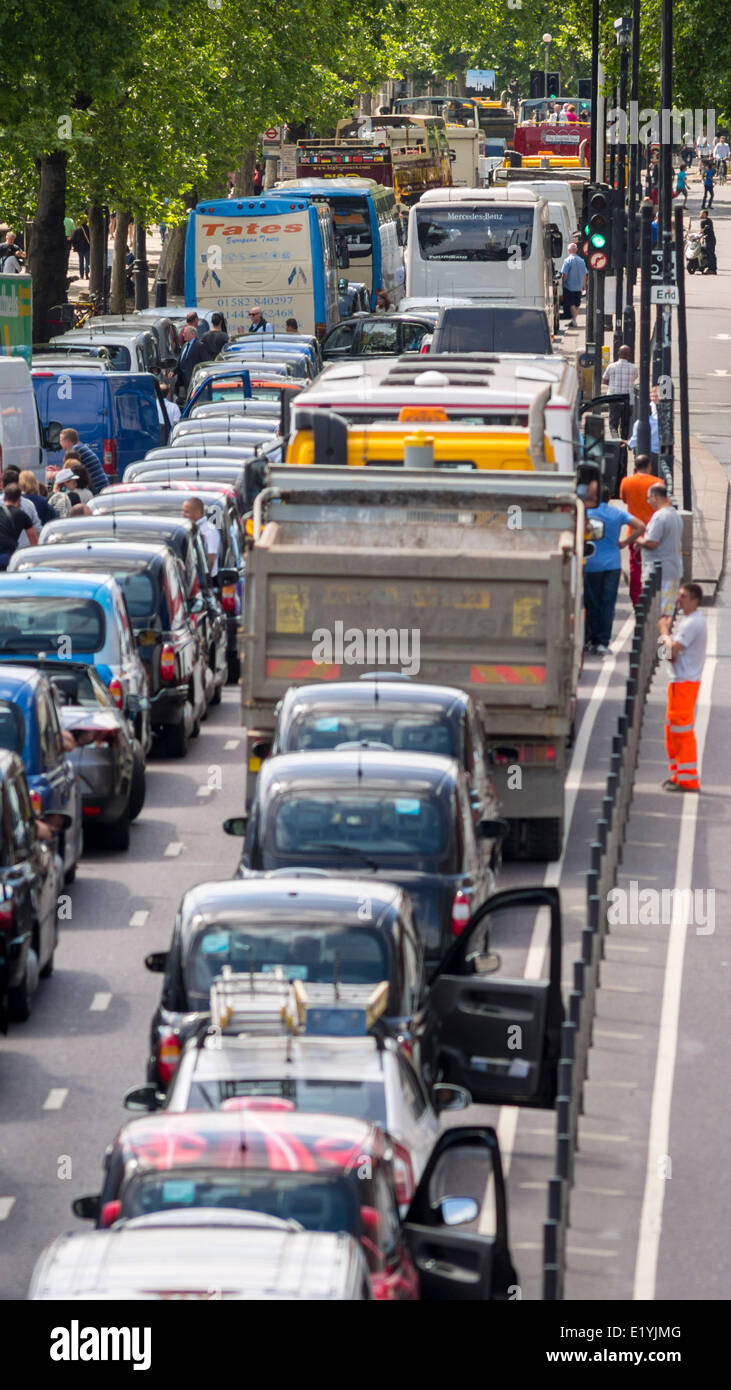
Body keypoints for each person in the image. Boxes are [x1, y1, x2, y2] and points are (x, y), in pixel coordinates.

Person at [584, 487, 645, 655]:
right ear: (609, 497)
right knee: (607, 603)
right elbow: (640, 526)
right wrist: (625, 542)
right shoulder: (617, 514)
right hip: (612, 565)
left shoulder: (585, 513)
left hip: (590, 564)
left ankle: (590, 640)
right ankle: (603, 642)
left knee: (591, 603)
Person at [658, 582, 706, 792]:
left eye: (684, 596)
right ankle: (679, 774)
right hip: (681, 682)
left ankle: (687, 778)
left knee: (681, 732)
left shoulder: (691, 623)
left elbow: (670, 654)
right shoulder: (690, 620)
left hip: (684, 683)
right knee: (673, 731)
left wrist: (663, 633)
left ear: (695, 600)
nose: (679, 599)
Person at [635, 482, 683, 615]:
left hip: (659, 574)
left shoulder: (659, 516)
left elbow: (651, 543)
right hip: (672, 569)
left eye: (648, 498)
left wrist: (637, 539)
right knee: (668, 611)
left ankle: (663, 635)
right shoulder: (674, 514)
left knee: (658, 614)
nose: (648, 501)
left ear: (654, 496)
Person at [619, 456, 656, 605]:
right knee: (653, 567)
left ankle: (636, 599)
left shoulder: (626, 482)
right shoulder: (657, 483)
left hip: (633, 533)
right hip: (653, 532)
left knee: (635, 568)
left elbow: (624, 499)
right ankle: (651, 599)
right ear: (649, 466)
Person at [602, 345, 637, 438]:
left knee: (613, 424)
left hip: (614, 398)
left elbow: (604, 380)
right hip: (628, 399)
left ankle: (615, 441)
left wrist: (613, 384)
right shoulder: (633, 368)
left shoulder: (611, 366)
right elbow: (634, 378)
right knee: (625, 424)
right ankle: (623, 445)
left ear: (618, 354)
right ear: (629, 355)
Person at [58, 427, 106, 495]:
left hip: (96, 487)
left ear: (67, 441)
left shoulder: (76, 449)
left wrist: (54, 474)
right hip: (101, 485)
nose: (60, 443)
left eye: (61, 440)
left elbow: (68, 473)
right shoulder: (81, 447)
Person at [0, 483, 38, 568]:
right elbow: (33, 538)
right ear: (19, 500)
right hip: (8, 556)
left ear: (4, 497)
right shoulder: (22, 515)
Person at [181, 497, 220, 574]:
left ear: (198, 513)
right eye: (183, 511)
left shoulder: (210, 530)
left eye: (187, 512)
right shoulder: (188, 529)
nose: (183, 515)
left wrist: (206, 580)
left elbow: (211, 558)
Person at [625, 388, 660, 472]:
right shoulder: (657, 421)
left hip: (644, 454)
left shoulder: (638, 423)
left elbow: (634, 441)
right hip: (656, 454)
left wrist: (627, 443)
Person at [175, 325, 212, 397]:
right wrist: (173, 371)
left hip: (192, 379)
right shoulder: (185, 345)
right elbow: (180, 361)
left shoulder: (199, 346)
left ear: (192, 334)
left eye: (185, 333)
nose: (183, 335)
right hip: (183, 380)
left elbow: (205, 362)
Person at [561, 242, 587, 326]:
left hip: (569, 286)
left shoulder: (567, 261)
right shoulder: (582, 261)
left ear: (568, 251)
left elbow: (564, 274)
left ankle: (574, 321)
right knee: (577, 304)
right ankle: (574, 320)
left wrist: (563, 283)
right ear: (576, 250)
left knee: (571, 304)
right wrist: (583, 285)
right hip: (578, 286)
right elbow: (584, 274)